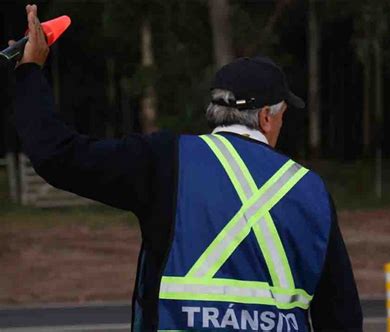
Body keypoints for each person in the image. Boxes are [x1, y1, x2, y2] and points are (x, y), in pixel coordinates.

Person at [12, 4, 363, 331]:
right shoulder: (310, 189)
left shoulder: (166, 159)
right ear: (267, 117)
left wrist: (30, 72)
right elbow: (342, 316)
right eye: (284, 115)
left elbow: (57, 156)